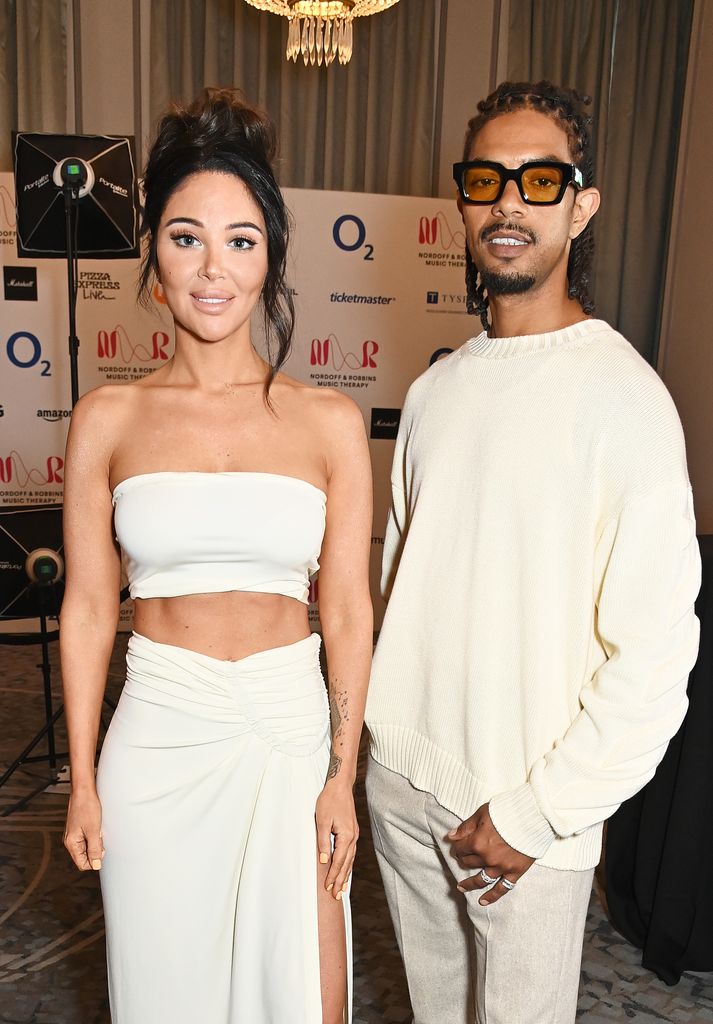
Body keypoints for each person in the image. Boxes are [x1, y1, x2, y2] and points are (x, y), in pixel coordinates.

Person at [365, 80, 701, 1024]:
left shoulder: (624, 398)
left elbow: (655, 658)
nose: (508, 202)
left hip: (521, 814)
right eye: (487, 180)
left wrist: (537, 814)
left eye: (539, 180)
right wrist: (376, 757)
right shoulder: (436, 391)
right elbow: (400, 587)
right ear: (463, 203)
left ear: (580, 204)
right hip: (402, 785)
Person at [60, 88, 372, 1024]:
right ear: (152, 251)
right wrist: (80, 779)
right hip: (157, 735)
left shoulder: (328, 420)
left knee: (305, 998)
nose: (213, 268)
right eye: (187, 236)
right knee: (168, 997)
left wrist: (341, 775)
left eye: (241, 240)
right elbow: (84, 609)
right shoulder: (106, 418)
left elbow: (348, 609)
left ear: (270, 255)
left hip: (287, 729)